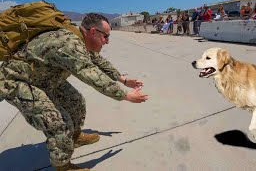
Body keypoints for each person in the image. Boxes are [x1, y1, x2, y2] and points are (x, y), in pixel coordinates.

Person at [0, 13, 148, 170]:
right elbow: (90, 73)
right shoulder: (68, 43)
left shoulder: (79, 39)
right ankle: (63, 166)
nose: (107, 42)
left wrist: (123, 80)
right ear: (93, 32)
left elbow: (97, 60)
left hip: (44, 78)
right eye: (106, 37)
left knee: (75, 101)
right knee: (59, 123)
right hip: (18, 82)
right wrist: (125, 95)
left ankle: (75, 137)